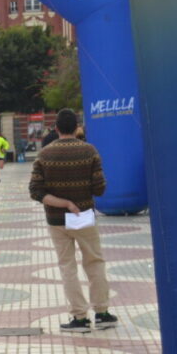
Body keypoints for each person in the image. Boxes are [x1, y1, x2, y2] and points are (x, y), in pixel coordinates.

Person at [29, 108, 118, 333]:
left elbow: (36, 191)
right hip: (84, 216)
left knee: (67, 267)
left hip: (57, 220)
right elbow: (100, 188)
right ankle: (102, 313)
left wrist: (64, 203)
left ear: (56, 128)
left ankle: (79, 317)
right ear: (77, 127)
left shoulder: (44, 154)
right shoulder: (89, 151)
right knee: (94, 262)